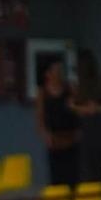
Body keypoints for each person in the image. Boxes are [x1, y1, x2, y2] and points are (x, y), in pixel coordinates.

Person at [72, 49, 101, 187]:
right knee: (93, 172)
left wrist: (93, 109)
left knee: (100, 171)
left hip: (100, 132)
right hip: (91, 133)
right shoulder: (81, 86)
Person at [35, 59, 81, 189]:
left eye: (60, 71)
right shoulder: (43, 92)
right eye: (56, 70)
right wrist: (45, 134)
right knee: (57, 176)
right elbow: (40, 116)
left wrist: (79, 131)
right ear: (48, 74)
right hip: (54, 139)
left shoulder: (69, 88)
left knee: (73, 175)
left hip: (71, 137)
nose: (59, 74)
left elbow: (78, 109)